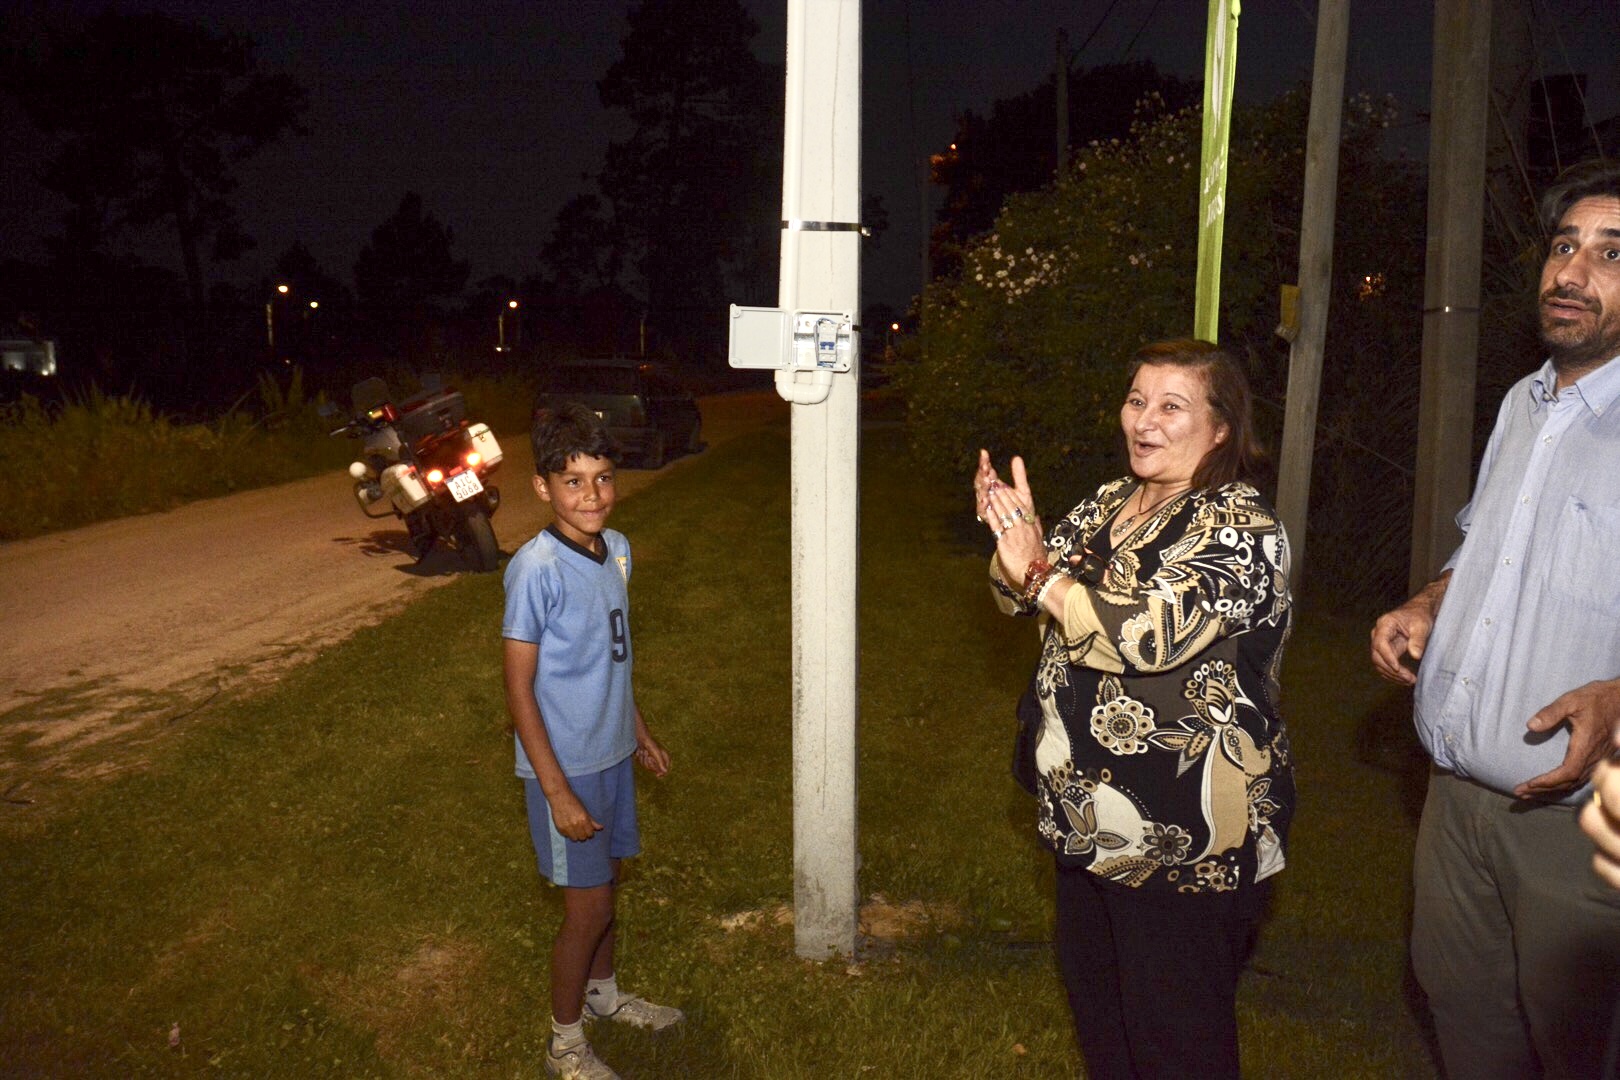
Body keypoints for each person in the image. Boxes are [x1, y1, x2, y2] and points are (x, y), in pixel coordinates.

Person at [976, 339, 1294, 1079]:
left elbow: (1148, 637)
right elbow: (1017, 596)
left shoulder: (1239, 528)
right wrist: (1009, 542)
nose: (1143, 421)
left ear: (1221, 429)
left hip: (1183, 838)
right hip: (1089, 823)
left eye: (1171, 406)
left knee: (1177, 1042)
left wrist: (1036, 574)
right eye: (1136, 399)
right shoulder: (1114, 500)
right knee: (1104, 1023)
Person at [1370, 158, 1620, 1080]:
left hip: (1583, 817)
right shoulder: (1525, 402)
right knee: (1469, 1024)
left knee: (1582, 1044)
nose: (1571, 272)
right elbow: (1483, 549)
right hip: (1456, 802)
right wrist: (1428, 604)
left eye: (1610, 253)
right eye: (1564, 246)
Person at [503, 403, 681, 1080]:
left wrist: (637, 732)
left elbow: (615, 656)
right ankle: (565, 1041)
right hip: (566, 768)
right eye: (572, 480)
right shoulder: (536, 569)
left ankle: (603, 997)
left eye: (602, 477)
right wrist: (555, 792)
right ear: (542, 488)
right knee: (590, 907)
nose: (592, 494)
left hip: (610, 755)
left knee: (609, 886)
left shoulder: (620, 550)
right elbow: (519, 689)